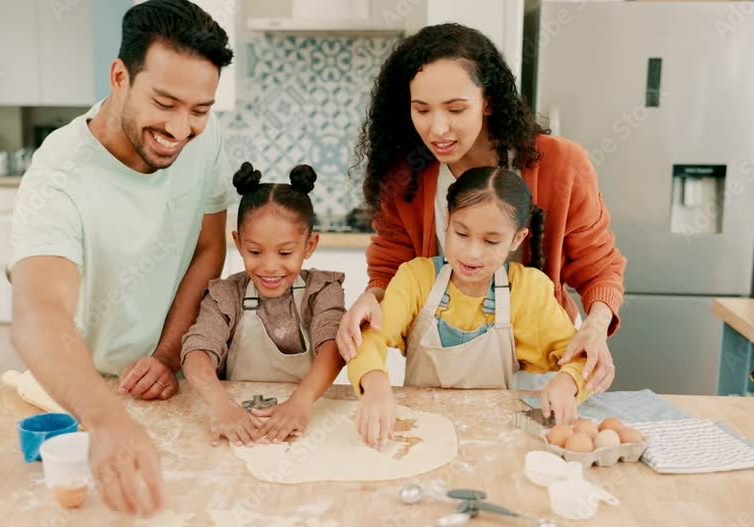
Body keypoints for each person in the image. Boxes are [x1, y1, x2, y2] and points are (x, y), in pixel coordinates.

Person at [9, 0, 233, 517]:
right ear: (119, 76)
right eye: (165, 103)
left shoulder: (205, 137)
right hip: (87, 399)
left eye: (200, 110)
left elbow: (208, 248)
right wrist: (107, 419)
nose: (181, 129)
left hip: (177, 379)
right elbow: (37, 316)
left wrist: (168, 354)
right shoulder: (58, 175)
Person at [338, 23, 626, 393]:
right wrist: (370, 297)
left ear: (488, 101)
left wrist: (594, 326)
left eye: (456, 109)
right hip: (438, 377)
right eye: (421, 110)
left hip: (540, 380)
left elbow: (599, 266)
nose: (437, 129)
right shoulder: (406, 175)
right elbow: (390, 267)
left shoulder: (562, 165)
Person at [349, 167, 591, 448]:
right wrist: (375, 385)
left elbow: (583, 357)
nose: (472, 253)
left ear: (517, 239)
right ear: (447, 222)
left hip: (495, 438)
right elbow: (368, 337)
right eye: (462, 234)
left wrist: (567, 382)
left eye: (491, 241)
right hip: (418, 432)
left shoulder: (527, 290)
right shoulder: (416, 279)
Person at [182, 163, 346, 447]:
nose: (270, 267)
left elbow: (333, 347)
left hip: (304, 421)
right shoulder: (226, 295)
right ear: (238, 242)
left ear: (309, 246)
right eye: (255, 251)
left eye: (285, 252)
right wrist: (221, 406)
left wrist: (301, 402)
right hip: (241, 423)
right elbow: (197, 351)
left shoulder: (321, 291)